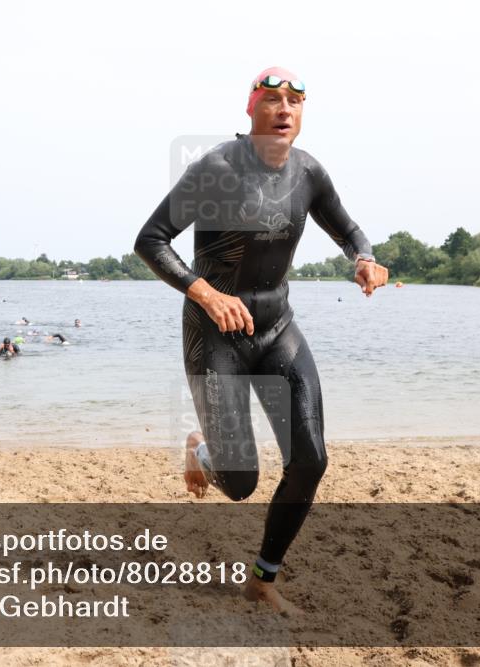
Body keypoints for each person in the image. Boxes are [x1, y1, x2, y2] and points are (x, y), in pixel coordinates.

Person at [134, 66, 388, 615]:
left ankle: (262, 578)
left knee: (311, 460)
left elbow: (348, 230)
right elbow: (150, 240)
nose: (284, 108)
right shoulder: (217, 168)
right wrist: (205, 293)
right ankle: (199, 449)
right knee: (241, 482)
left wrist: (365, 260)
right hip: (214, 332)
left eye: (295, 100)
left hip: (277, 328)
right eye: (272, 98)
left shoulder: (309, 172)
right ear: (251, 109)